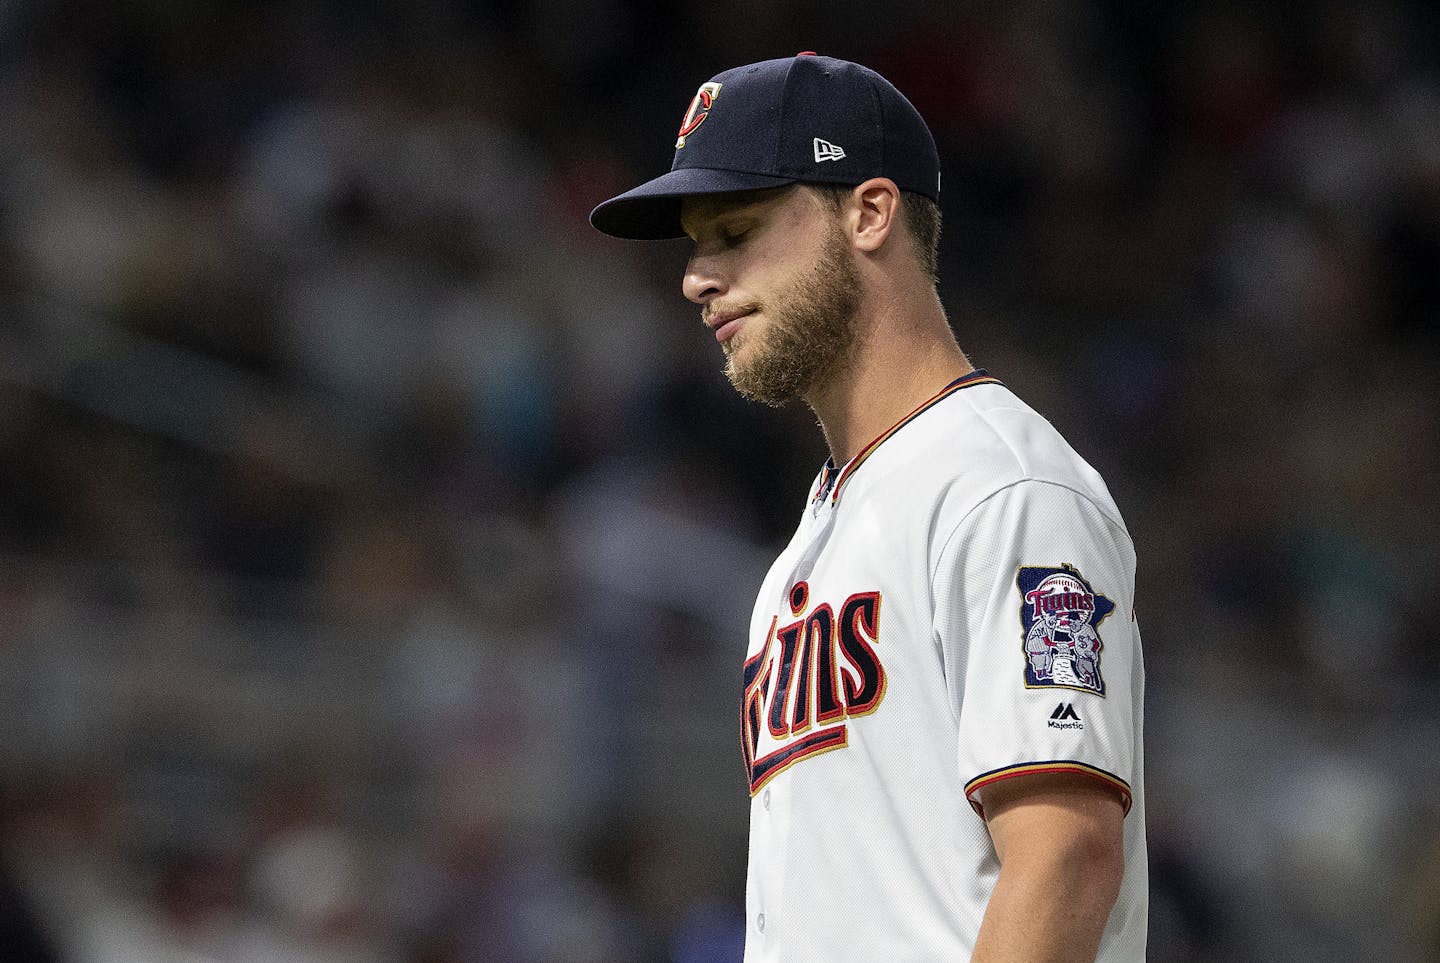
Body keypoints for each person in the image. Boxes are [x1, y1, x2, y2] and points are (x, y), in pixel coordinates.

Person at [590, 53, 1146, 962]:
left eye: (734, 229)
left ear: (870, 212)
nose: (697, 276)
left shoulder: (1003, 489)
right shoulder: (806, 547)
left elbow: (1065, 855)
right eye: (697, 244)